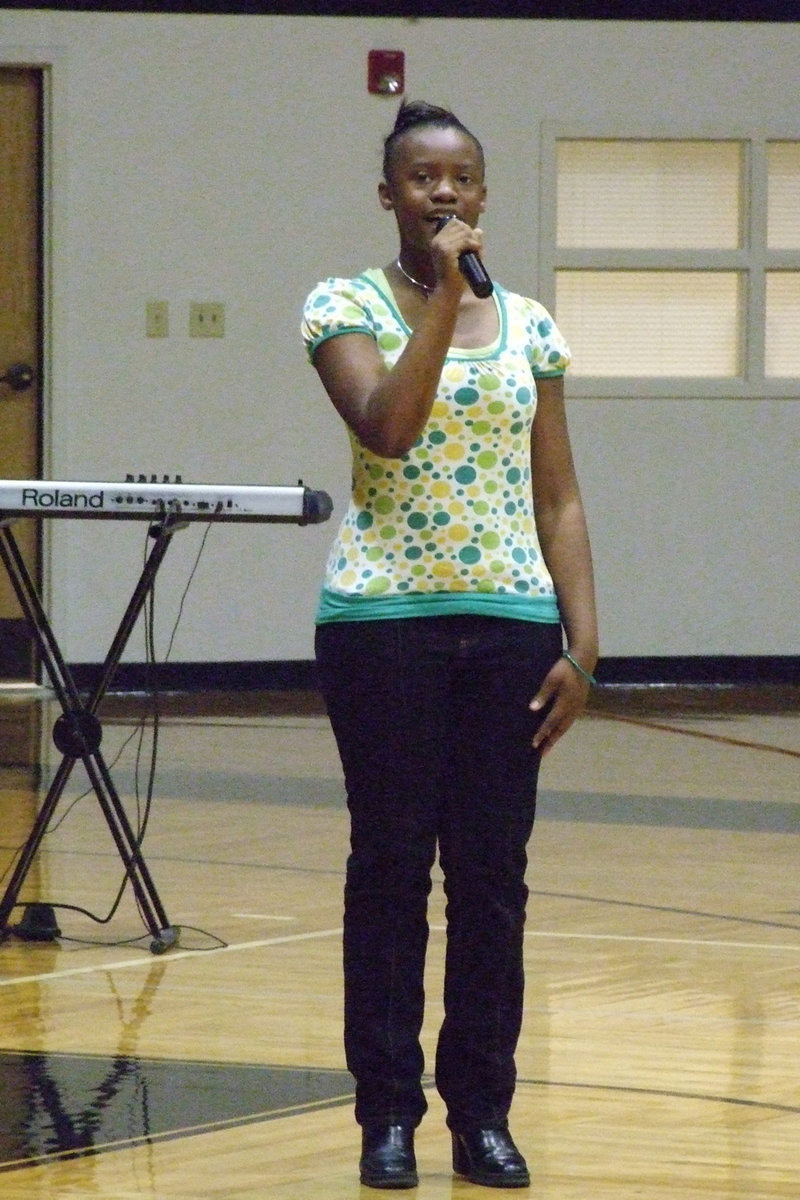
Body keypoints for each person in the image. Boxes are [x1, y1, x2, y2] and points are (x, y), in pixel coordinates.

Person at [301, 100, 598, 1190]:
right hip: (382, 626)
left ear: (482, 195)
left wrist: (584, 645)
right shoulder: (342, 305)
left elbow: (556, 493)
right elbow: (386, 424)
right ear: (388, 195)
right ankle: (387, 1114)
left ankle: (481, 1114)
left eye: (460, 177)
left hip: (512, 625)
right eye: (420, 177)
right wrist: (437, 297)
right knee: (388, 868)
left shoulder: (530, 326)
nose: (442, 192)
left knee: (491, 877)